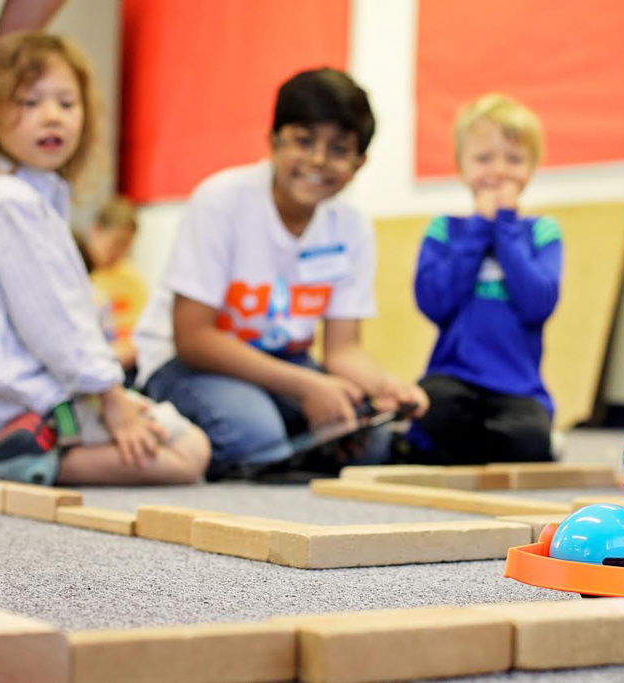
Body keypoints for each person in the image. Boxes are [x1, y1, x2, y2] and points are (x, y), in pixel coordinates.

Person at [134, 67, 428, 480]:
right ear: (273, 142)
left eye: (338, 150)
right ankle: (257, 439)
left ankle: (285, 445)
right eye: (303, 141)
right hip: (188, 363)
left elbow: (342, 350)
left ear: (359, 163)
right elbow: (193, 338)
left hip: (284, 361)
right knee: (253, 432)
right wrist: (307, 387)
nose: (317, 161)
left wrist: (385, 387)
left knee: (368, 436)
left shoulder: (351, 225)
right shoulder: (222, 200)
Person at [0, 31, 210, 485]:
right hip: (18, 405)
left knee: (185, 440)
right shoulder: (8, 201)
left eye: (66, 103)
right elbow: (51, 322)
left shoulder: (32, 196)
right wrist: (110, 397)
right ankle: (4, 460)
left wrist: (110, 393)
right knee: (187, 455)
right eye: (28, 103)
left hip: (46, 393)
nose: (51, 117)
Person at [406, 93, 562, 464]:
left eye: (513, 159)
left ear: (531, 169)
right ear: (461, 168)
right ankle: (458, 444)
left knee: (530, 439)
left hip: (518, 386)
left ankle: (453, 450)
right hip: (453, 378)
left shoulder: (542, 232)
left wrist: (505, 228)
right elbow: (434, 303)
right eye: (483, 158)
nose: (499, 171)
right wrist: (478, 229)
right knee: (432, 406)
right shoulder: (445, 229)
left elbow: (538, 305)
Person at [79, 196, 148, 372]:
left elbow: (144, 328)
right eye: (116, 243)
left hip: (127, 361)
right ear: (96, 230)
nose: (120, 252)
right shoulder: (78, 273)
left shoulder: (131, 277)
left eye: (127, 246)